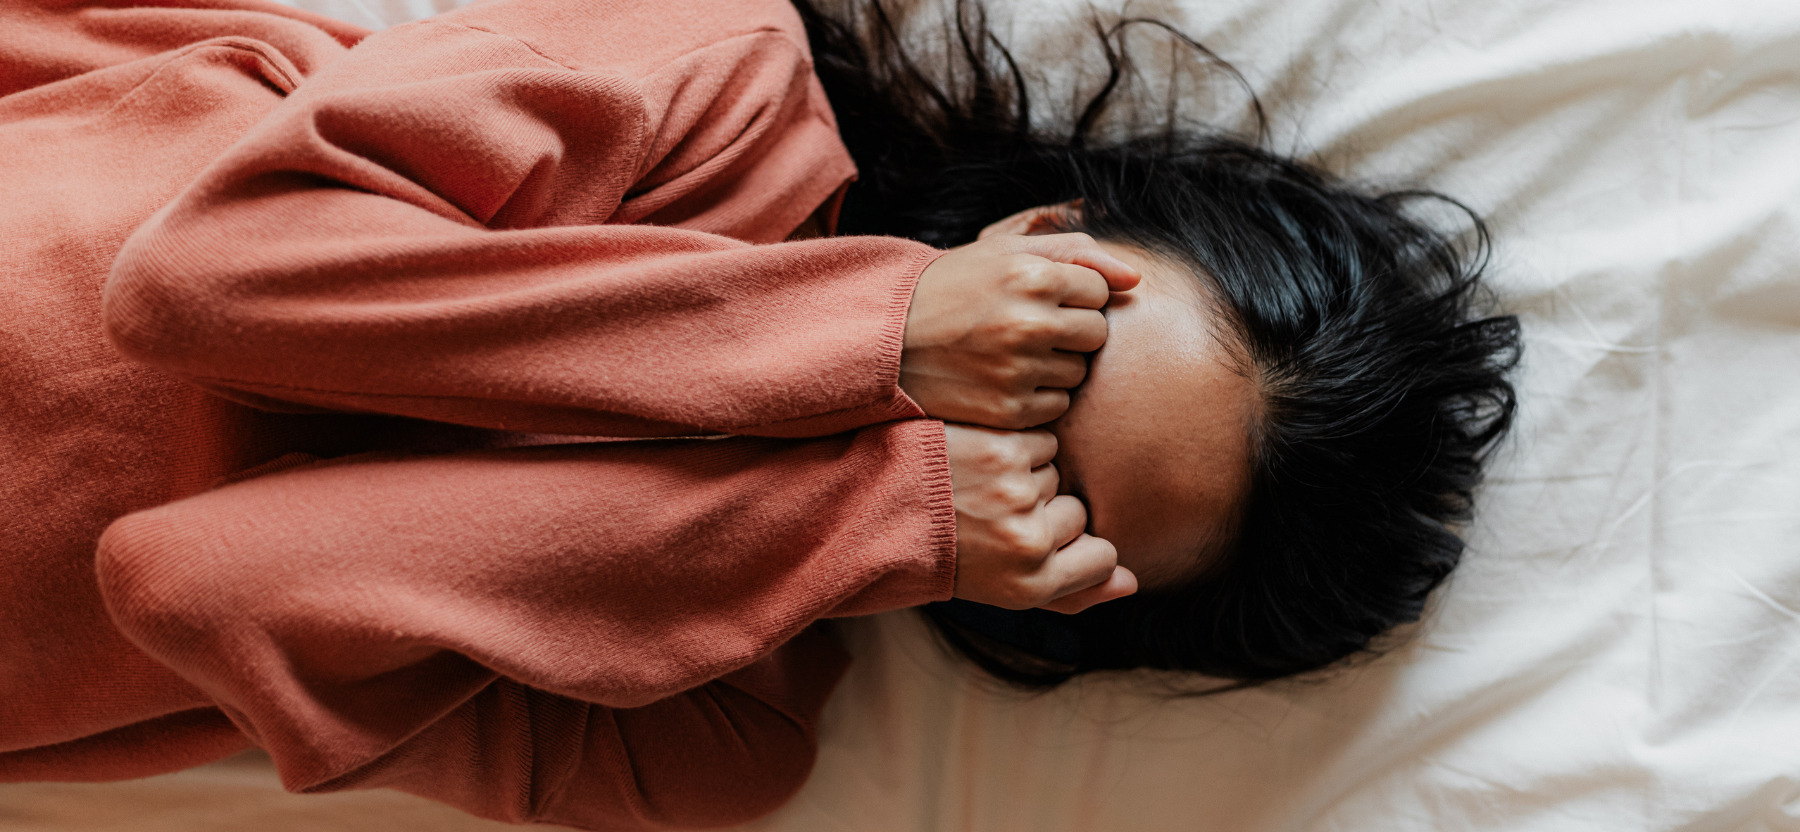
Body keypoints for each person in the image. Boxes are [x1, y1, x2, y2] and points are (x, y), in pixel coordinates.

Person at [0, 0, 1517, 830]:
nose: (985, 420)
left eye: (1027, 478)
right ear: (1050, 232)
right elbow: (203, 285)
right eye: (1058, 348)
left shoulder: (706, 742)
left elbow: (193, 582)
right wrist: (871, 334)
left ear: (1044, 595)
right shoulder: (720, 95)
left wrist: (860, 508)